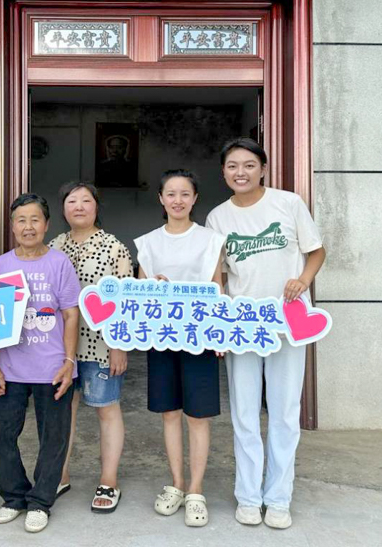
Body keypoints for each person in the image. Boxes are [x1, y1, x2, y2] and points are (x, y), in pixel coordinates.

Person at [205, 137, 325, 530]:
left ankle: (278, 498)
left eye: (248, 165)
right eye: (232, 166)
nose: (240, 172)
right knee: (243, 412)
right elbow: (218, 276)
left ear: (263, 169)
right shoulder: (218, 218)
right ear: (223, 173)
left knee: (285, 412)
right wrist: (220, 326)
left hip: (288, 321)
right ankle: (247, 496)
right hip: (242, 326)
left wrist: (303, 280)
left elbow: (316, 250)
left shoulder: (288, 203)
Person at [133, 169, 225, 528]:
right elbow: (139, 293)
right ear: (160, 198)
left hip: (199, 336)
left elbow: (217, 287)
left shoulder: (210, 240)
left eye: (185, 193)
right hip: (162, 336)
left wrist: (219, 334)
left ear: (195, 198)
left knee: (197, 415)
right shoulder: (148, 243)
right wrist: (151, 286)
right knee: (170, 413)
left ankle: (197, 490)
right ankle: (177, 483)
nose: (178, 200)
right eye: (170, 193)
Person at [0, 193, 81, 533]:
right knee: (0, 435)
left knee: (54, 438)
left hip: (52, 367)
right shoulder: (0, 266)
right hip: (9, 368)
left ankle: (40, 501)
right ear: (12, 226)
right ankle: (14, 497)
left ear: (46, 224)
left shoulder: (59, 263)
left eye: (35, 219)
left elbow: (71, 314)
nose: (28, 227)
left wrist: (69, 361)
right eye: (21, 220)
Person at [49, 181, 133, 513]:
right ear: (63, 208)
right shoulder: (55, 246)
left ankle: (109, 480)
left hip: (101, 343)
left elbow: (125, 299)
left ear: (97, 206)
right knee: (62, 410)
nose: (79, 206)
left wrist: (119, 344)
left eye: (86, 200)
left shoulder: (114, 247)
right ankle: (60, 474)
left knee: (106, 407)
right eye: (72, 201)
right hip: (60, 347)